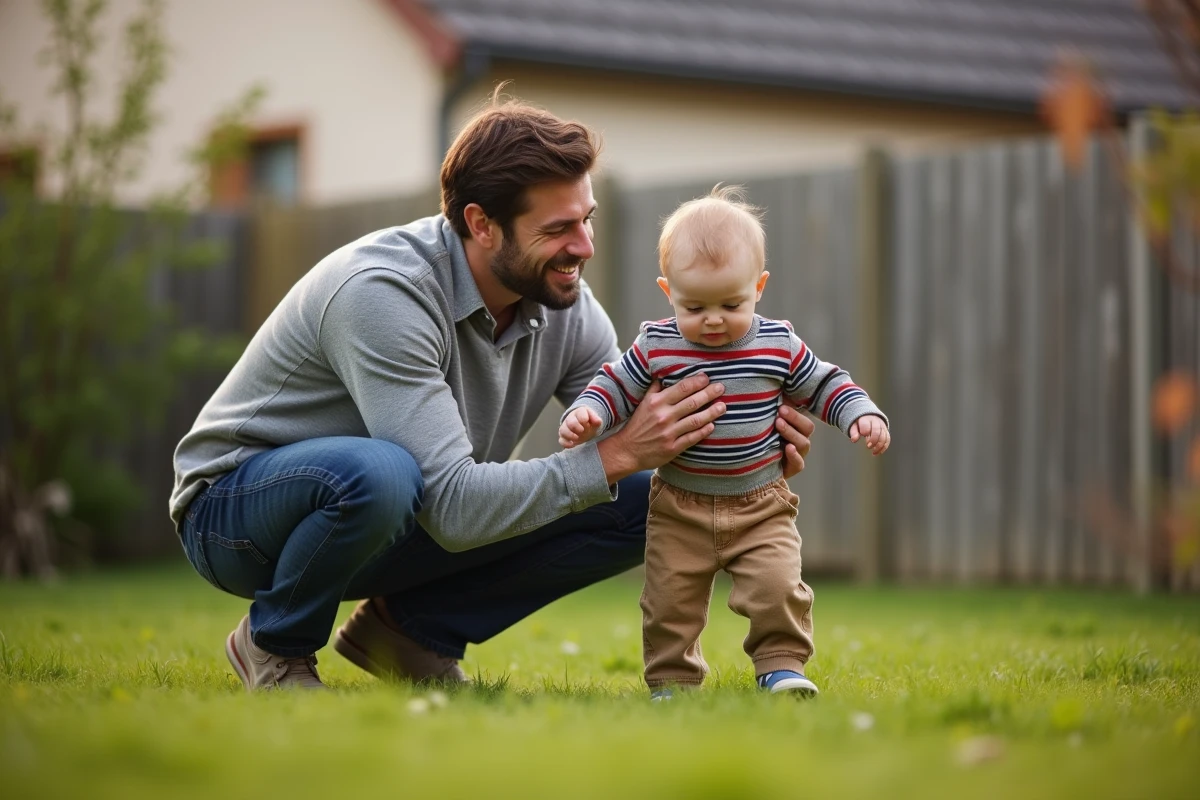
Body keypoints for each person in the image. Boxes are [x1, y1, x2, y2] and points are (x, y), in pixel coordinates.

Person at [170, 97, 816, 691]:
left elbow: (645, 420)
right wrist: (616, 455)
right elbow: (454, 507)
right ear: (481, 223)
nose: (584, 247)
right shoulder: (382, 294)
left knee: (649, 501)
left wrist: (742, 440)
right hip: (237, 515)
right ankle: (275, 644)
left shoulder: (564, 303)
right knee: (381, 473)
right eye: (560, 228)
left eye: (586, 221)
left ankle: (409, 636)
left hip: (395, 515)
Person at [559, 186, 889, 700]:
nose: (713, 319)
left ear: (759, 286)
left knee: (778, 586)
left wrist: (859, 413)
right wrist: (589, 412)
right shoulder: (657, 345)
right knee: (669, 600)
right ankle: (672, 680)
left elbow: (824, 383)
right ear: (667, 291)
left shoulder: (776, 343)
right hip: (678, 506)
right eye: (694, 306)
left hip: (760, 504)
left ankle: (780, 667)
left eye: (731, 304)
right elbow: (615, 383)